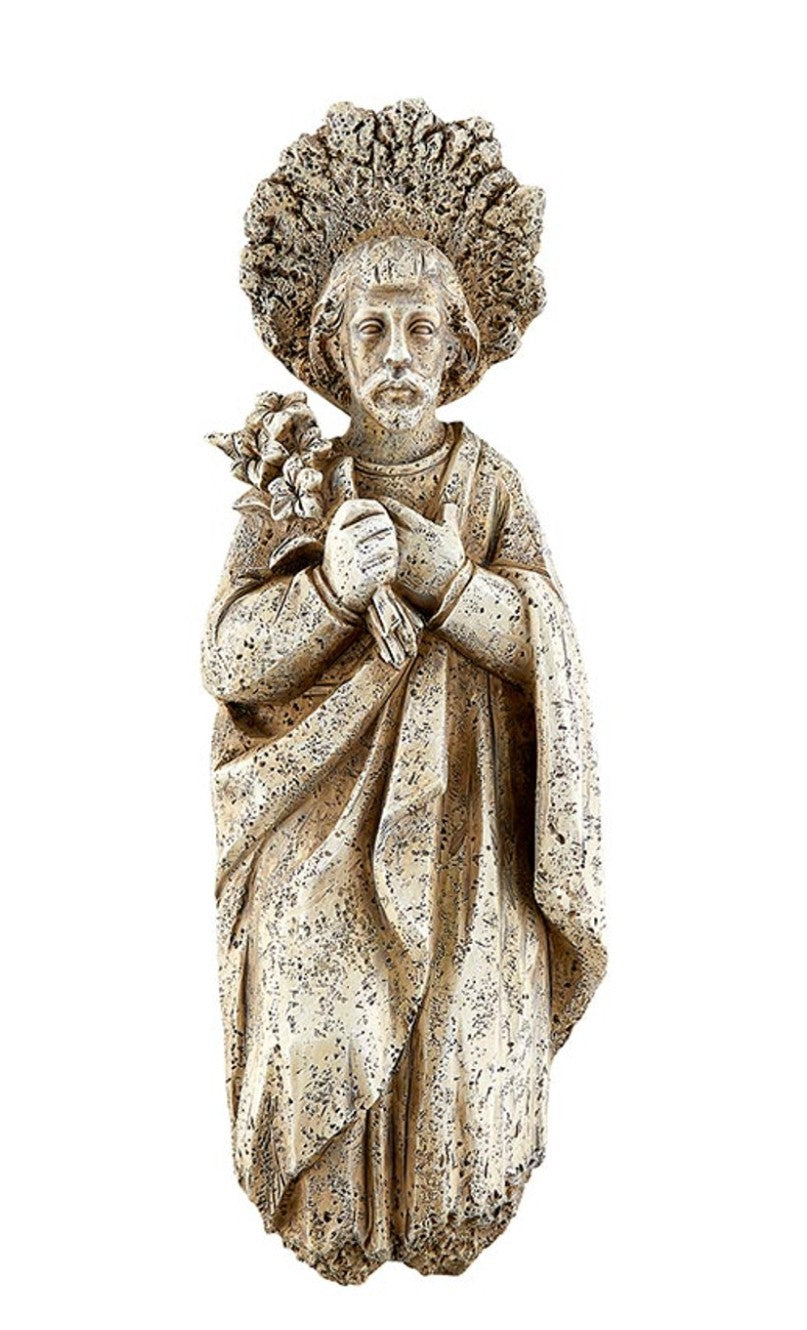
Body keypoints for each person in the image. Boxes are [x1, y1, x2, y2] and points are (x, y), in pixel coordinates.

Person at [202, 102, 605, 1284]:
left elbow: (547, 649)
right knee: (309, 970)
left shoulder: (489, 485)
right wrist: (331, 587)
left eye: (419, 327)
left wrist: (446, 579)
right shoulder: (295, 481)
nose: (393, 352)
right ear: (331, 346)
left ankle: (447, 1200)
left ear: (457, 348)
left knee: (467, 1019)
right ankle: (330, 1197)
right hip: (318, 826)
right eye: (369, 326)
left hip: (470, 830)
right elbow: (228, 658)